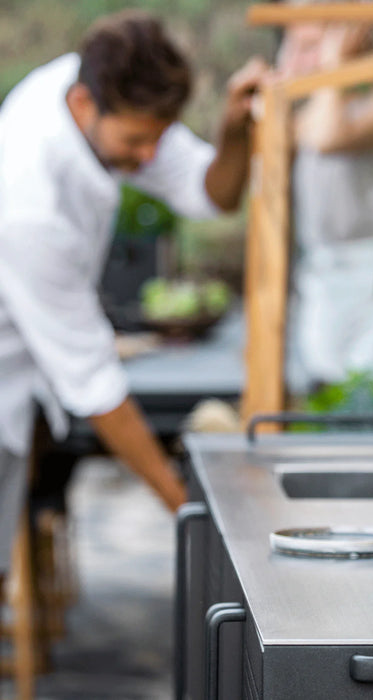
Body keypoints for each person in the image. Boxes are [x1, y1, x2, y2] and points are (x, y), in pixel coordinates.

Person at [0, 10, 266, 582]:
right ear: (81, 106)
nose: (149, 157)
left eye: (158, 139)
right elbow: (97, 388)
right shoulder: (28, 203)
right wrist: (191, 516)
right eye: (136, 141)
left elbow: (209, 194)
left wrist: (233, 129)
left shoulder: (108, 87)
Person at [274, 22, 373, 396]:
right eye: (291, 46)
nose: (297, 58)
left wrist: (335, 65)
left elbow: (330, 137)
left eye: (310, 45)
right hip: (326, 271)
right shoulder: (320, 105)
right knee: (329, 385)